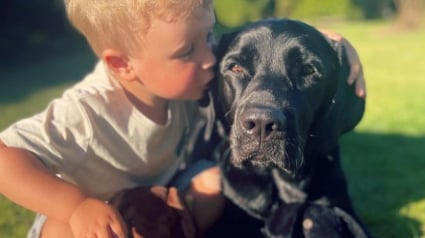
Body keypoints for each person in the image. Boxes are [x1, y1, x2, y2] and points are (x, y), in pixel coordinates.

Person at [0, 0, 366, 237]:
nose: (212, 57)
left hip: (157, 201)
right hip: (86, 213)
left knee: (211, 182)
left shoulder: (184, 85)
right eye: (188, 49)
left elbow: (267, 45)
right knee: (65, 231)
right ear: (123, 65)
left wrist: (331, 44)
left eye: (209, 37)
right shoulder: (86, 111)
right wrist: (74, 205)